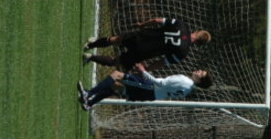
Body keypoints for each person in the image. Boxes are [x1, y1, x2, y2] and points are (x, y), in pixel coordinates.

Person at [83, 17, 211, 70]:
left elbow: (157, 20)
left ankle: (90, 45)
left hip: (143, 36)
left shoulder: (181, 25)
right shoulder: (183, 53)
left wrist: (142, 24)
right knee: (116, 61)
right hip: (144, 52)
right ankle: (90, 57)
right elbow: (162, 62)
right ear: (198, 44)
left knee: (114, 40)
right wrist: (147, 70)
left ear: (197, 31)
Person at [76, 63, 213, 110]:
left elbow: (161, 84)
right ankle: (89, 103)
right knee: (116, 86)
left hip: (150, 88)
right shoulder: (188, 89)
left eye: (201, 73)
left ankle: (88, 94)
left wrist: (144, 72)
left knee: (117, 75)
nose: (199, 71)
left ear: (200, 81)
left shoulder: (184, 81)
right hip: (152, 94)